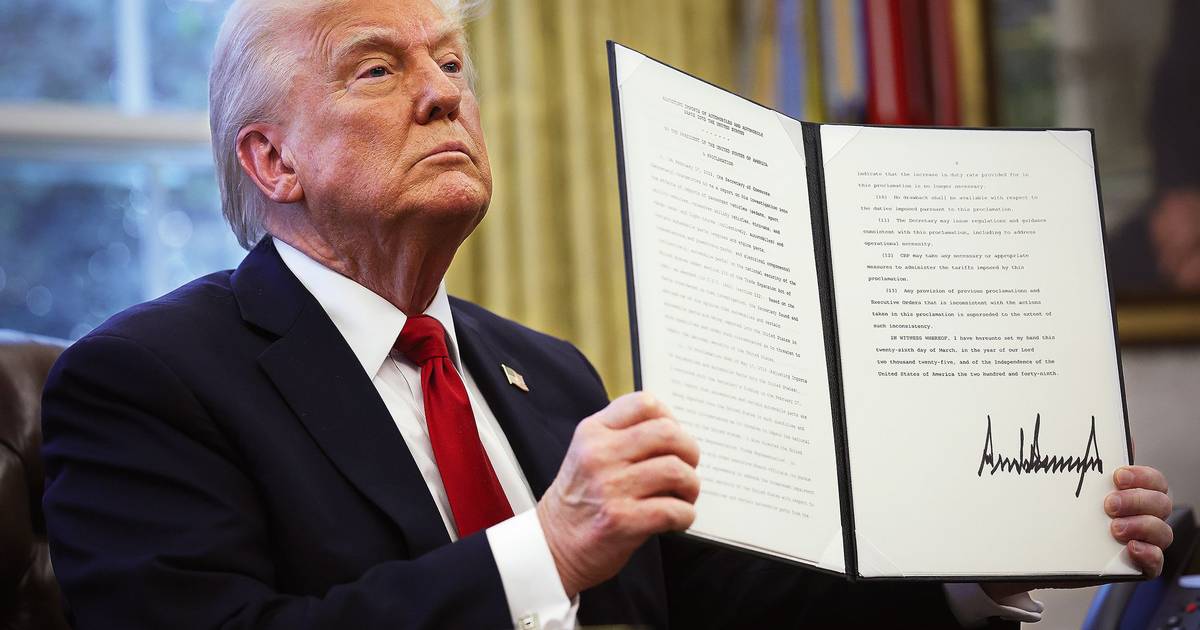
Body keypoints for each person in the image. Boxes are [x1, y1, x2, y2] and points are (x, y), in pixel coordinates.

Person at [41, 0, 1174, 628]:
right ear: (271, 160)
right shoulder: (146, 380)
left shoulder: (548, 373)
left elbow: (731, 607)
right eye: (377, 71)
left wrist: (980, 555)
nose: (444, 93)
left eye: (452, 63)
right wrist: (546, 550)